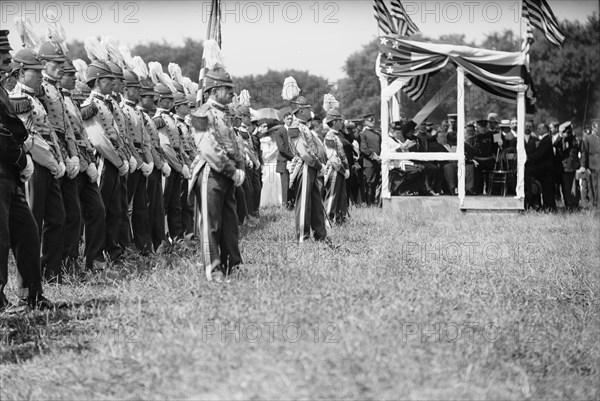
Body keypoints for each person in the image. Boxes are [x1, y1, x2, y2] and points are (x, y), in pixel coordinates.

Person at [1, 30, 52, 311]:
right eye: (4, 58)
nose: (8, 64)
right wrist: (22, 159)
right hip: (7, 168)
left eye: (8, 58)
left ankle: (31, 295)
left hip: (11, 171)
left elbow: (14, 130)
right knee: (1, 240)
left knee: (28, 232)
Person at [10, 48, 67, 283]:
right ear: (21, 73)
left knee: (58, 217)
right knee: (33, 223)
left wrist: (59, 159)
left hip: (49, 165)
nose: (41, 75)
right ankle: (31, 276)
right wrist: (53, 162)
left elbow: (49, 133)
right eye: (35, 71)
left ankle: (51, 271)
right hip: (35, 166)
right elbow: (30, 139)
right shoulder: (19, 100)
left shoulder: (35, 99)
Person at [189, 67, 245, 281]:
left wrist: (239, 167)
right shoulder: (200, 114)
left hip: (227, 174)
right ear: (213, 90)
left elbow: (234, 145)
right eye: (227, 88)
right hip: (210, 173)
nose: (232, 92)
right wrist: (232, 171)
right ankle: (213, 270)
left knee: (230, 223)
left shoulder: (224, 113)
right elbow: (209, 148)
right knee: (211, 225)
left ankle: (233, 265)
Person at [38, 41, 83, 273]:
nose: (60, 67)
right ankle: (50, 268)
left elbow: (68, 130)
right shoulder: (41, 89)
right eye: (55, 63)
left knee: (73, 214)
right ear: (43, 63)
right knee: (54, 217)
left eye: (61, 63)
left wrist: (74, 156)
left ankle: (69, 262)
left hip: (67, 157)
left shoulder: (58, 90)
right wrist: (60, 158)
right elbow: (44, 128)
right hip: (52, 157)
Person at [59, 59, 106, 271]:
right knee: (72, 216)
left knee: (97, 210)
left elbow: (81, 135)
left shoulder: (69, 101)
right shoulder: (55, 99)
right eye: (68, 74)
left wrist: (89, 161)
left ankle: (93, 259)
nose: (73, 78)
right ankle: (69, 263)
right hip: (72, 162)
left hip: (85, 162)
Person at [81, 60, 130, 262]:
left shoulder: (107, 103)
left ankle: (112, 252)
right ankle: (95, 257)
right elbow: (100, 140)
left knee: (115, 210)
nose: (113, 83)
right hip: (103, 160)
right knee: (98, 212)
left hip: (113, 161)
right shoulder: (90, 106)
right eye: (109, 79)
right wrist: (118, 162)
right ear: (99, 81)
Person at [120, 69, 154, 254]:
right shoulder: (123, 110)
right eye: (135, 88)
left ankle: (143, 246)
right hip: (132, 161)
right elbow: (126, 139)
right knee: (126, 207)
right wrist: (140, 162)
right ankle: (127, 245)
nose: (138, 91)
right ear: (126, 89)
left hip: (141, 161)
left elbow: (145, 140)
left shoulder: (138, 112)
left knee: (142, 206)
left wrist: (148, 161)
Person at [154, 84, 191, 241]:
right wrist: (179, 166)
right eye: (168, 99)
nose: (171, 102)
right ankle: (163, 238)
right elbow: (165, 146)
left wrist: (184, 163)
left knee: (176, 204)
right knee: (164, 204)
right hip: (168, 164)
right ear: (161, 100)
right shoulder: (159, 119)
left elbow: (179, 146)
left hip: (177, 163)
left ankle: (177, 237)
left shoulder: (169, 118)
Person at [137, 81, 171, 253]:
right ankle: (146, 245)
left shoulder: (147, 116)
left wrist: (161, 162)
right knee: (144, 207)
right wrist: (157, 162)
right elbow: (147, 144)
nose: (155, 100)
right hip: (146, 164)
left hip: (154, 164)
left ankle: (158, 243)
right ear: (141, 98)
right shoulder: (142, 116)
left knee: (156, 207)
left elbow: (155, 144)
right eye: (150, 97)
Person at [172, 93, 197, 236]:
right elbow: (180, 148)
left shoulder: (185, 124)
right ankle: (180, 235)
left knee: (188, 203)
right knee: (180, 203)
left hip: (190, 162)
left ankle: (189, 232)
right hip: (182, 164)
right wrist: (187, 163)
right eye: (185, 104)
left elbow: (191, 146)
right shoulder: (175, 124)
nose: (188, 106)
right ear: (177, 107)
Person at [323, 108, 349, 224]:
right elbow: (333, 157)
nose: (341, 122)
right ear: (334, 122)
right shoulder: (329, 136)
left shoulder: (337, 135)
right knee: (332, 196)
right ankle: (328, 221)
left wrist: (346, 169)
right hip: (334, 170)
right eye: (340, 120)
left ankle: (340, 220)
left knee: (342, 197)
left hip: (340, 170)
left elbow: (342, 155)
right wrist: (344, 170)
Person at [525, 123, 556, 211]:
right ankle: (547, 206)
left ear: (545, 129)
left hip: (545, 169)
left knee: (548, 189)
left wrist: (529, 158)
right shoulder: (544, 139)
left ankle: (549, 206)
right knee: (546, 188)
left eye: (540, 128)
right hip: (544, 168)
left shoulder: (546, 139)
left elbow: (540, 154)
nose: (538, 130)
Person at [273, 112, 295, 210]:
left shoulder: (294, 130)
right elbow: (282, 148)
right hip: (284, 160)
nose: (290, 120)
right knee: (285, 184)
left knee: (293, 183)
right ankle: (285, 205)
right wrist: (293, 156)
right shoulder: (280, 131)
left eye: (291, 119)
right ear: (284, 119)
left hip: (293, 161)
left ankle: (292, 204)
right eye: (288, 119)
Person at [557, 122, 580, 210]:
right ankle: (569, 206)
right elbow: (556, 144)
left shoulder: (574, 139)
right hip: (565, 167)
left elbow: (577, 147)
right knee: (567, 188)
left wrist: (572, 136)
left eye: (570, 130)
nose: (569, 132)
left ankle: (575, 205)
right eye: (567, 131)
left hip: (574, 167)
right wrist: (561, 135)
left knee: (575, 188)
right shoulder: (562, 139)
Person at [359, 114, 382, 206]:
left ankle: (373, 202)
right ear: (365, 122)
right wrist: (373, 156)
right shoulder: (363, 134)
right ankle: (369, 204)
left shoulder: (377, 133)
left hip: (378, 161)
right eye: (370, 120)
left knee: (376, 182)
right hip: (369, 162)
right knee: (370, 183)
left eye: (373, 120)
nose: (373, 121)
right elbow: (364, 148)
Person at [579, 121, 600, 209]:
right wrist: (583, 166)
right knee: (592, 187)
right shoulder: (587, 138)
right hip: (592, 166)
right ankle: (593, 205)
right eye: (597, 128)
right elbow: (584, 153)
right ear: (593, 128)